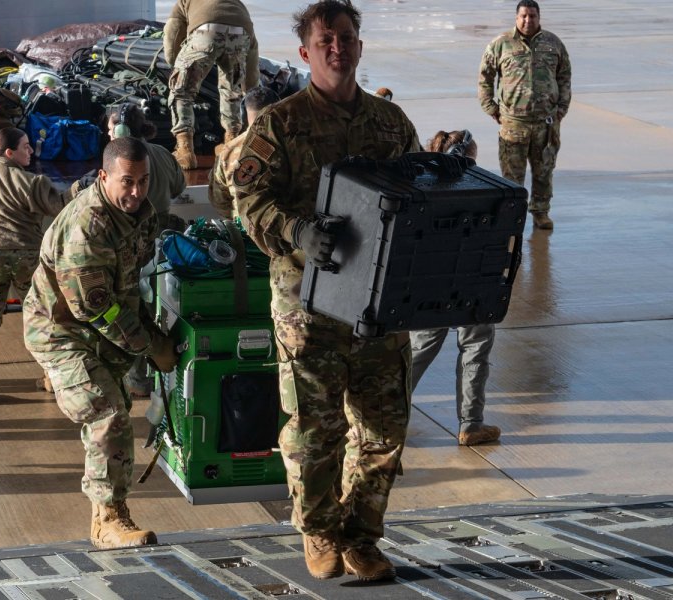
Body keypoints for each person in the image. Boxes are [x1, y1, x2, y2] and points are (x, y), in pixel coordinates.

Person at [232, 0, 419, 582]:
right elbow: (248, 201)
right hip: (309, 305)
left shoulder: (391, 124)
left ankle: (361, 537)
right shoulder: (280, 124)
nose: (337, 47)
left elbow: (418, 192)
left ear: (359, 48)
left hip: (378, 305)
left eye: (346, 37)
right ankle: (318, 532)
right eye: (326, 38)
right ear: (306, 52)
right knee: (316, 430)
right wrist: (296, 231)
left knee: (384, 428)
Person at [23, 138, 179, 549]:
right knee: (108, 412)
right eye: (127, 182)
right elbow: (99, 310)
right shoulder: (86, 228)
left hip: (98, 330)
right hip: (61, 333)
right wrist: (150, 346)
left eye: (144, 181)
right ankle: (108, 520)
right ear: (104, 176)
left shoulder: (134, 214)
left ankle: (106, 513)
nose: (137, 191)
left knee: (117, 409)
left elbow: (128, 282)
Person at [0, 113, 72, 405]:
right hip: (26, 257)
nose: (32, 151)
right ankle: (50, 377)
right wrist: (83, 186)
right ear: (10, 153)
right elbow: (59, 205)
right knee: (40, 318)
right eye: (26, 146)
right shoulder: (33, 183)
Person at [409, 130, 501, 446]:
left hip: (428, 283)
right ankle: (471, 424)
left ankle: (384, 411)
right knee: (476, 347)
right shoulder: (480, 190)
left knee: (419, 349)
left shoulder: (419, 187)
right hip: (472, 280)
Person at [103, 103, 186, 398]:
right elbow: (179, 186)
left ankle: (137, 380)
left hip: (137, 243)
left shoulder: (120, 167)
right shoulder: (162, 154)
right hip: (167, 242)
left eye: (111, 128)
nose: (108, 133)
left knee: (132, 307)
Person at [478, 0, 571, 230]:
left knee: (544, 171)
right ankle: (512, 217)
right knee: (511, 175)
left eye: (532, 16)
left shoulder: (553, 43)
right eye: (524, 16)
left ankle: (541, 212)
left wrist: (561, 109)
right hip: (513, 123)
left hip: (545, 123)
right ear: (516, 18)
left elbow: (565, 76)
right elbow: (485, 78)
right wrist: (490, 107)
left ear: (539, 18)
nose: (528, 20)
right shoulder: (501, 44)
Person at [163, 0, 260, 169]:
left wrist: (175, 64)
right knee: (231, 91)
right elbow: (252, 52)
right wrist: (249, 87)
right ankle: (231, 147)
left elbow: (173, 32)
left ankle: (185, 151)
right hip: (241, 34)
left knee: (182, 91)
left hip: (205, 32)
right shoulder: (237, 4)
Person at [209, 86, 277, 218]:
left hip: (243, 232)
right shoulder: (292, 144)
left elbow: (219, 201)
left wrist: (239, 220)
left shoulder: (227, 151)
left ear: (243, 115)